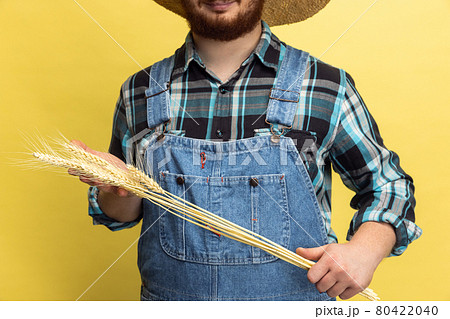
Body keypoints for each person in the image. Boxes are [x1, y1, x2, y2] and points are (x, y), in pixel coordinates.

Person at [69, 0, 422, 301]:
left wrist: (366, 250)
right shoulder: (141, 91)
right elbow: (119, 212)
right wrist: (120, 188)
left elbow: (389, 185)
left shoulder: (324, 85)